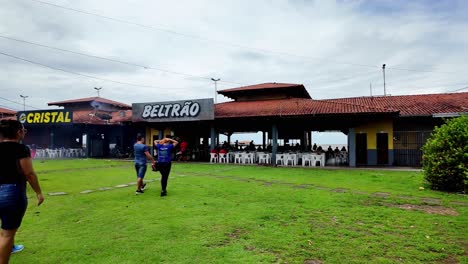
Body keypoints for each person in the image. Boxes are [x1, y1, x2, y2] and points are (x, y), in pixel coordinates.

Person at [0, 120, 44, 263]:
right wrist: (38, 192)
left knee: (5, 233)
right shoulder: (20, 149)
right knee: (7, 234)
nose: (24, 132)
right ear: (18, 132)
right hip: (12, 192)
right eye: (24, 130)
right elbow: (29, 174)